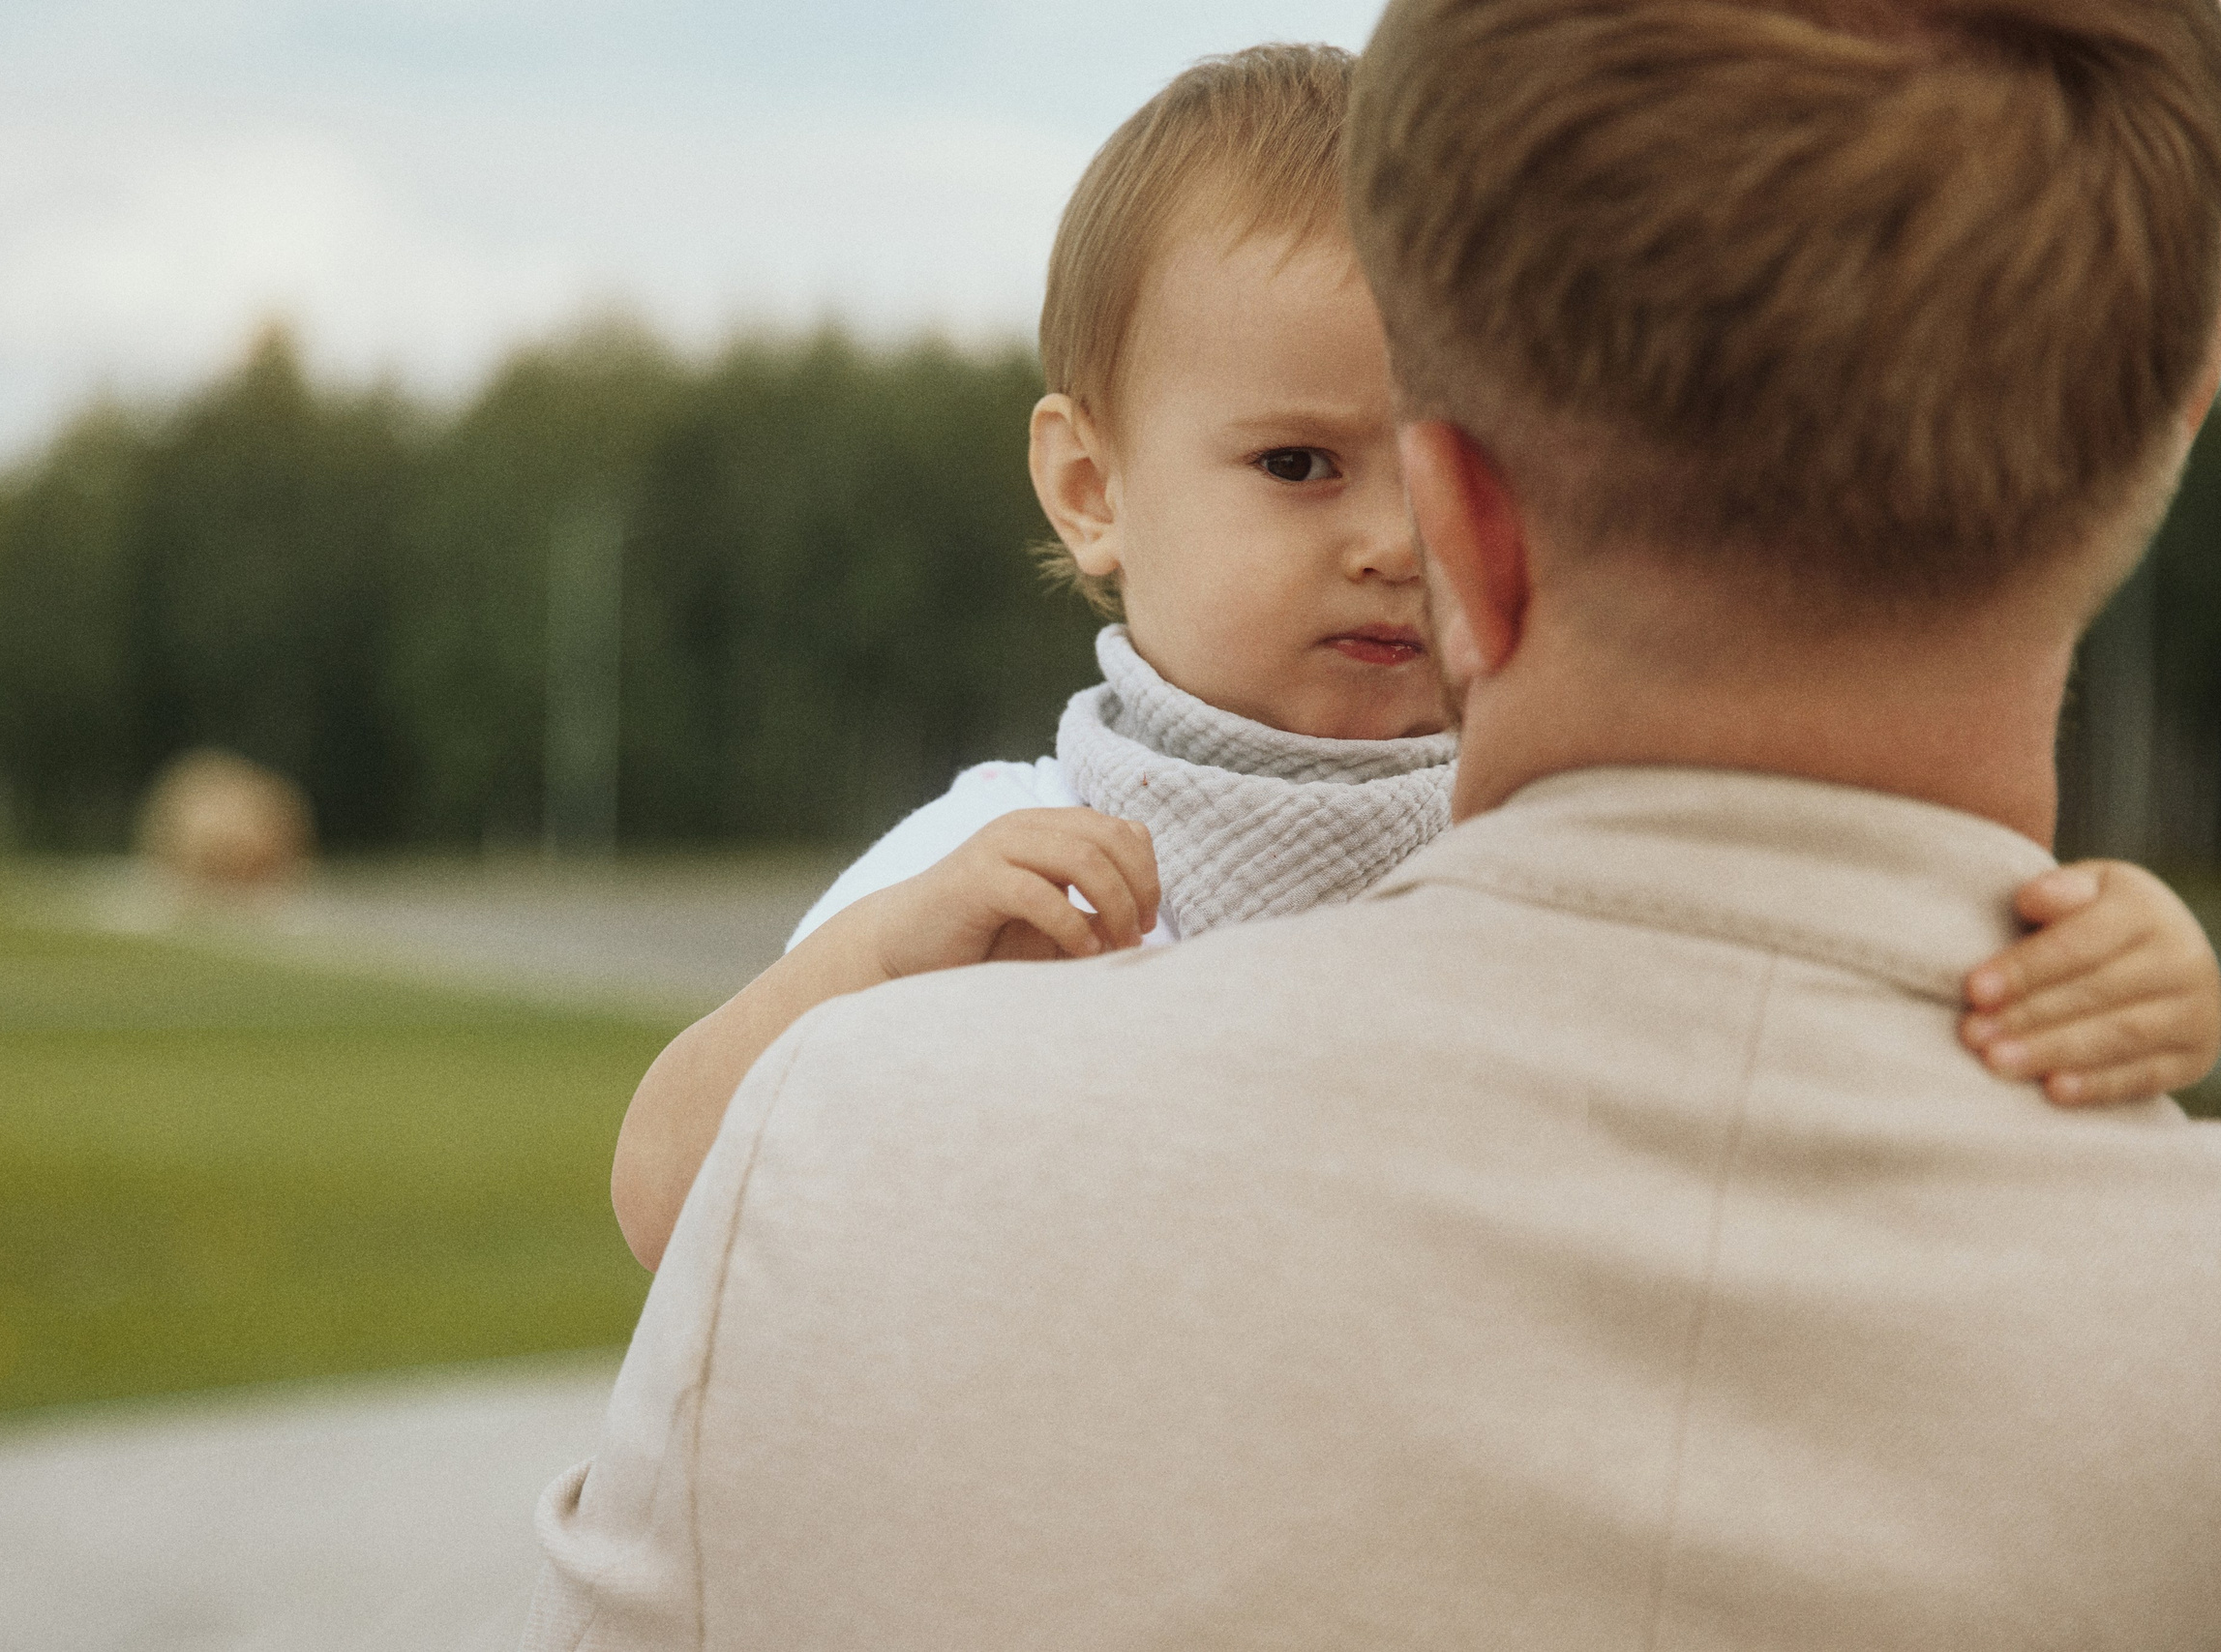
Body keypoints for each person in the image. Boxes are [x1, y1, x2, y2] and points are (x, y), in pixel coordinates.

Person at [526, 2, 2221, 1644]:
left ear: (1483, 517)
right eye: (1296, 466)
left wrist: (2115, 964)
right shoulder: (996, 854)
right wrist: (862, 967)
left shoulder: (1558, 845)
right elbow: (683, 1186)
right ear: (1087, 485)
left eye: (1415, 471)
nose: (1385, 545)